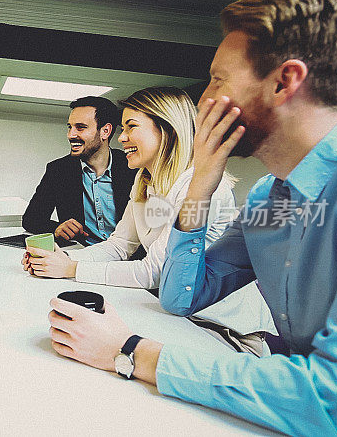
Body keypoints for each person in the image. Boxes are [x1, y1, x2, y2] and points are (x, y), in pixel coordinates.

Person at [46, 0, 337, 434]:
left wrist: (132, 351)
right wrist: (198, 188)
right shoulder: (268, 205)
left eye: (218, 80)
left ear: (283, 82)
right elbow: (182, 297)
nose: (202, 103)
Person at [24, 87, 273, 353]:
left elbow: (153, 272)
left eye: (131, 127)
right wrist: (61, 260)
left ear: (166, 129)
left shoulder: (199, 186)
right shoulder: (146, 182)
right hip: (178, 317)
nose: (122, 139)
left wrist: (71, 270)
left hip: (223, 330)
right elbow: (119, 245)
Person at [22, 96, 138, 244]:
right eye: (70, 127)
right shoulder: (58, 170)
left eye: (80, 127)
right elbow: (31, 219)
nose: (71, 135)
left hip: (129, 260)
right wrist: (57, 228)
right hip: (82, 255)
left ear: (105, 131)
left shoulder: (133, 168)